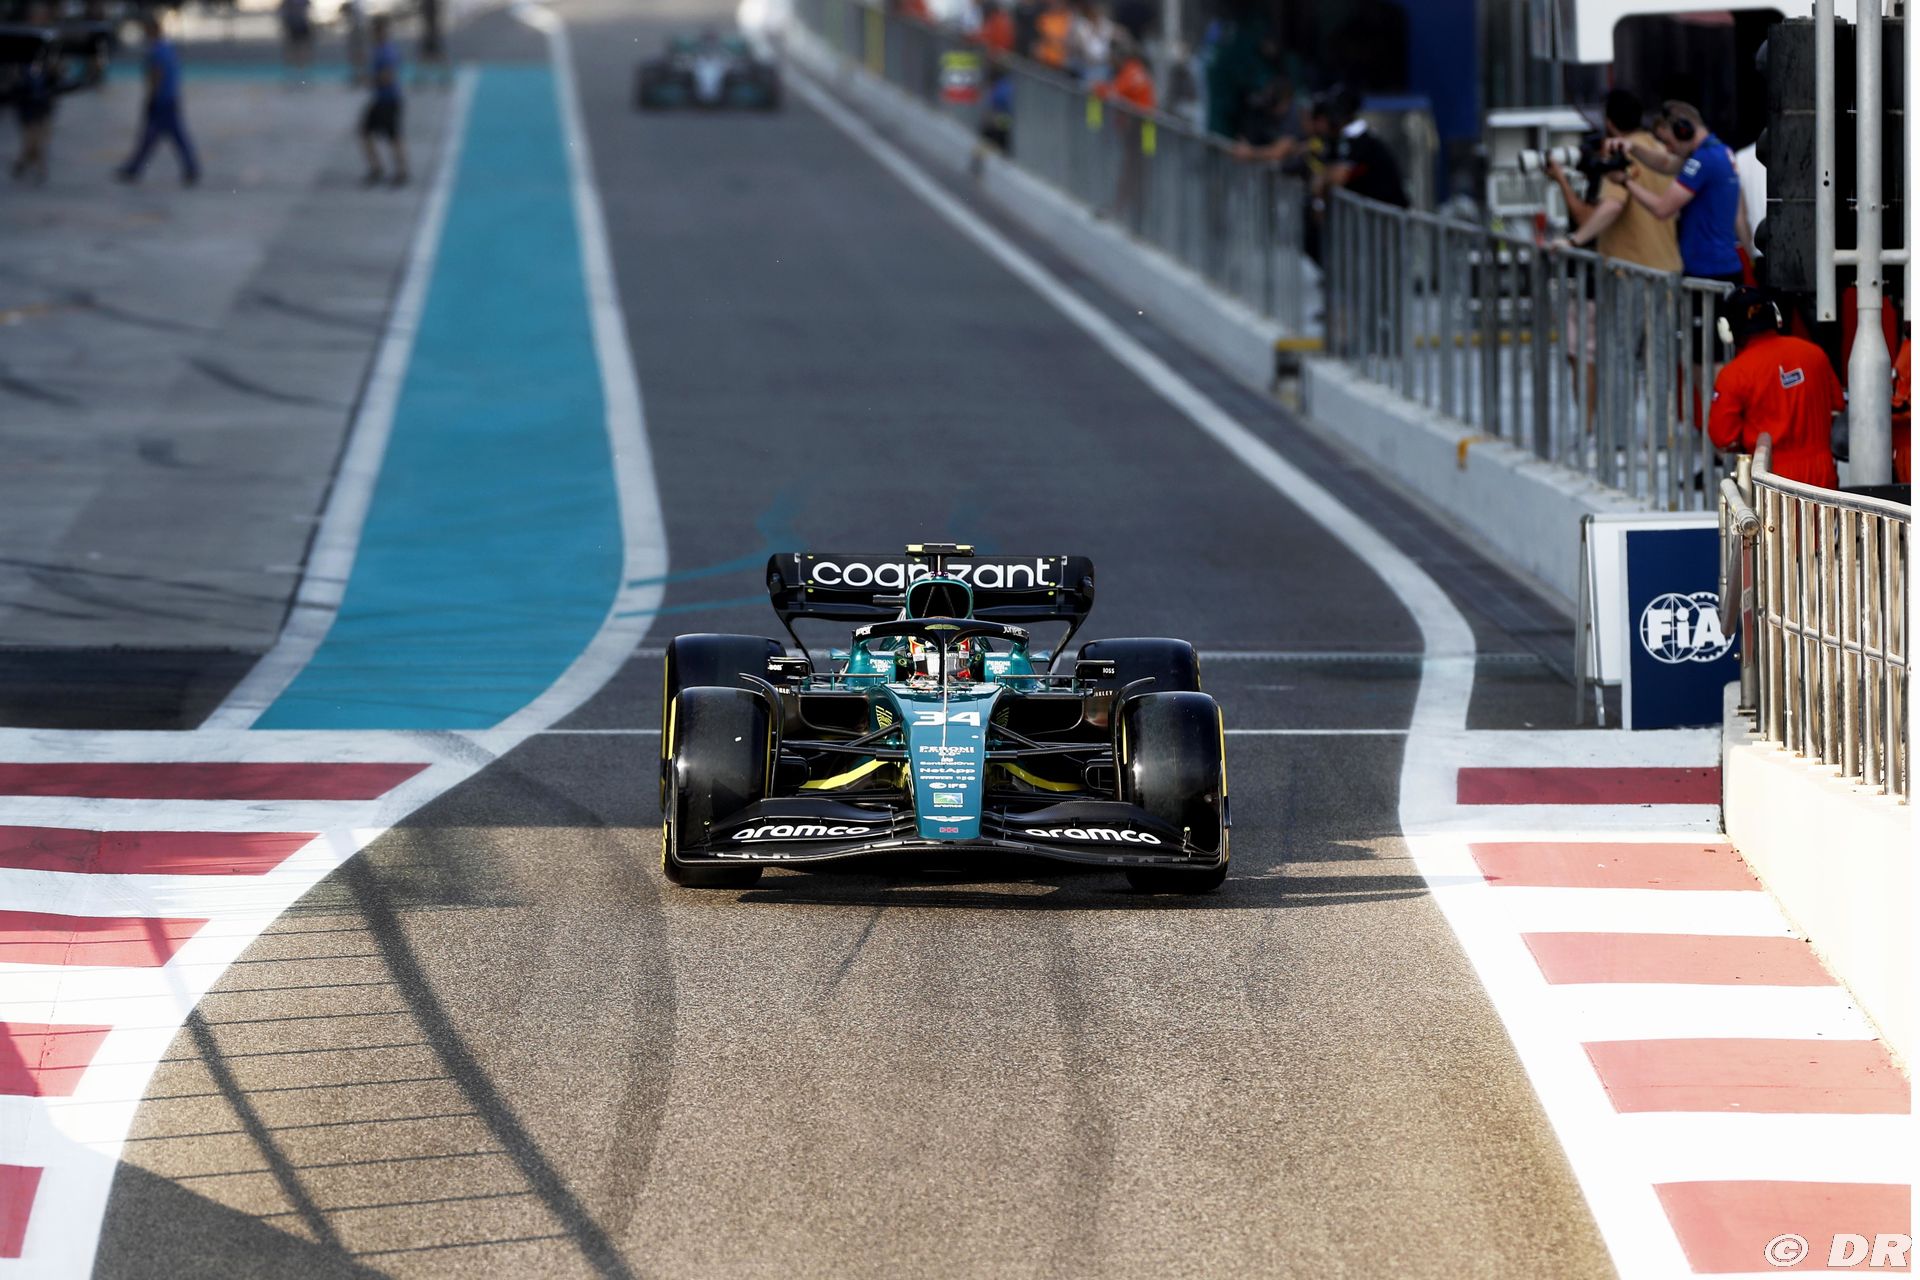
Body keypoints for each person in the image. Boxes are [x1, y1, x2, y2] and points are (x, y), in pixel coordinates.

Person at [1708, 288, 1845, 489]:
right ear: (1776, 316)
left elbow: (1723, 437)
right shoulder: (1814, 354)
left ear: (1726, 329)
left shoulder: (1734, 374)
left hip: (1771, 477)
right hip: (1822, 471)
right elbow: (1837, 404)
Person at [1614, 101, 1743, 284]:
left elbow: (1662, 209)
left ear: (1683, 131)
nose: (1668, 149)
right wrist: (1633, 148)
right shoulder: (1719, 151)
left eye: (1667, 141)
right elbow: (1666, 164)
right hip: (1721, 267)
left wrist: (1624, 181)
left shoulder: (1702, 160)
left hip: (1708, 272)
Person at [115, 14, 198, 186]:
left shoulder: (156, 51)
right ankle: (189, 167)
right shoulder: (168, 48)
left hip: (161, 100)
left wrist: (151, 97)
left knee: (154, 136)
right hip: (170, 98)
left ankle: (135, 168)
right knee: (169, 136)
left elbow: (156, 75)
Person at [1322, 88, 1406, 209]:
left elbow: (1338, 177)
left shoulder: (1360, 138)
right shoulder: (1340, 138)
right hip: (1371, 212)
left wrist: (1324, 179)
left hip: (1388, 210)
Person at [359, 14, 406, 186]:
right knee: (366, 133)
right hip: (381, 99)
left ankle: (400, 171)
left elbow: (388, 77)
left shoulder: (386, 51)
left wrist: (369, 80)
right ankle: (378, 168)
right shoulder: (380, 49)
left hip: (388, 100)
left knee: (393, 137)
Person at [279, 0, 313, 75]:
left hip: (301, 24)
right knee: (293, 45)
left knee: (303, 45)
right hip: (293, 24)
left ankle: (302, 64)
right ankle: (293, 64)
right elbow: (282, 11)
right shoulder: (288, 2)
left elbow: (309, 10)